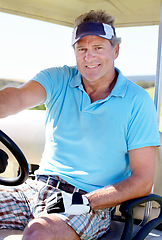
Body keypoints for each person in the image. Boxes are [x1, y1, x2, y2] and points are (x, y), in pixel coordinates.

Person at [0, 9, 160, 240]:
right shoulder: (57, 78)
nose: (89, 57)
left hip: (88, 201)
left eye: (98, 48)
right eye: (82, 49)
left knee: (39, 232)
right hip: (36, 189)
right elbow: (15, 98)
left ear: (115, 50)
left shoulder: (137, 101)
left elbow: (143, 181)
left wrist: (83, 202)